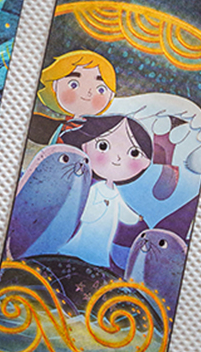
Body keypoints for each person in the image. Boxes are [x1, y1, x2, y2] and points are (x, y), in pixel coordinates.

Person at [55, 115, 152, 271]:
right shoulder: (94, 187)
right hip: (89, 226)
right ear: (85, 146)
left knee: (100, 247)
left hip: (105, 234)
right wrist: (98, 208)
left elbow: (123, 210)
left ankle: (98, 260)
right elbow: (85, 210)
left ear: (145, 163)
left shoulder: (115, 192)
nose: (118, 158)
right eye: (103, 145)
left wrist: (135, 218)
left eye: (134, 153)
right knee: (83, 243)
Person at [27, 50, 117, 145]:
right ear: (55, 85)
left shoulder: (106, 131)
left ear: (111, 95)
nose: (87, 92)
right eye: (73, 85)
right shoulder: (53, 127)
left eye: (101, 90)